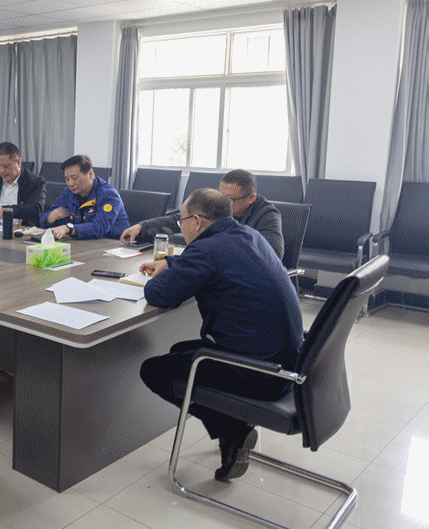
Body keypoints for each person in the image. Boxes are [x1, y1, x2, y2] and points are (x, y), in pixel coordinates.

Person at [138, 189, 303, 482]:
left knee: (154, 370)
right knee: (179, 351)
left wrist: (165, 273)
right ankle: (232, 428)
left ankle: (231, 428)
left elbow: (158, 293)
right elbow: (221, 262)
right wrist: (173, 263)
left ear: (197, 222)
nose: (181, 228)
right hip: (289, 360)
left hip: (258, 372)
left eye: (182, 222)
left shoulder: (205, 250)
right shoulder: (250, 236)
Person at [120, 169, 284, 260]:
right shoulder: (217, 203)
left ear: (251, 198)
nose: (223, 202)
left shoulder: (267, 214)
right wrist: (141, 227)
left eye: (230, 199)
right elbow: (180, 219)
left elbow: (273, 253)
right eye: (220, 194)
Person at [39, 154, 128, 240]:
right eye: (67, 179)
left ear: (90, 174)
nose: (70, 184)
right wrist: (50, 217)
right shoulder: (68, 193)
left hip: (113, 243)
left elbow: (99, 228)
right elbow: (43, 219)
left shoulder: (109, 195)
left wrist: (68, 228)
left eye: (74, 178)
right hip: (83, 241)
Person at [0, 142, 46, 227]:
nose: (1, 171)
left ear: (19, 162)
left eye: (6, 166)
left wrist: (6, 210)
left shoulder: (34, 181)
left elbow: (35, 209)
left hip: (19, 229)